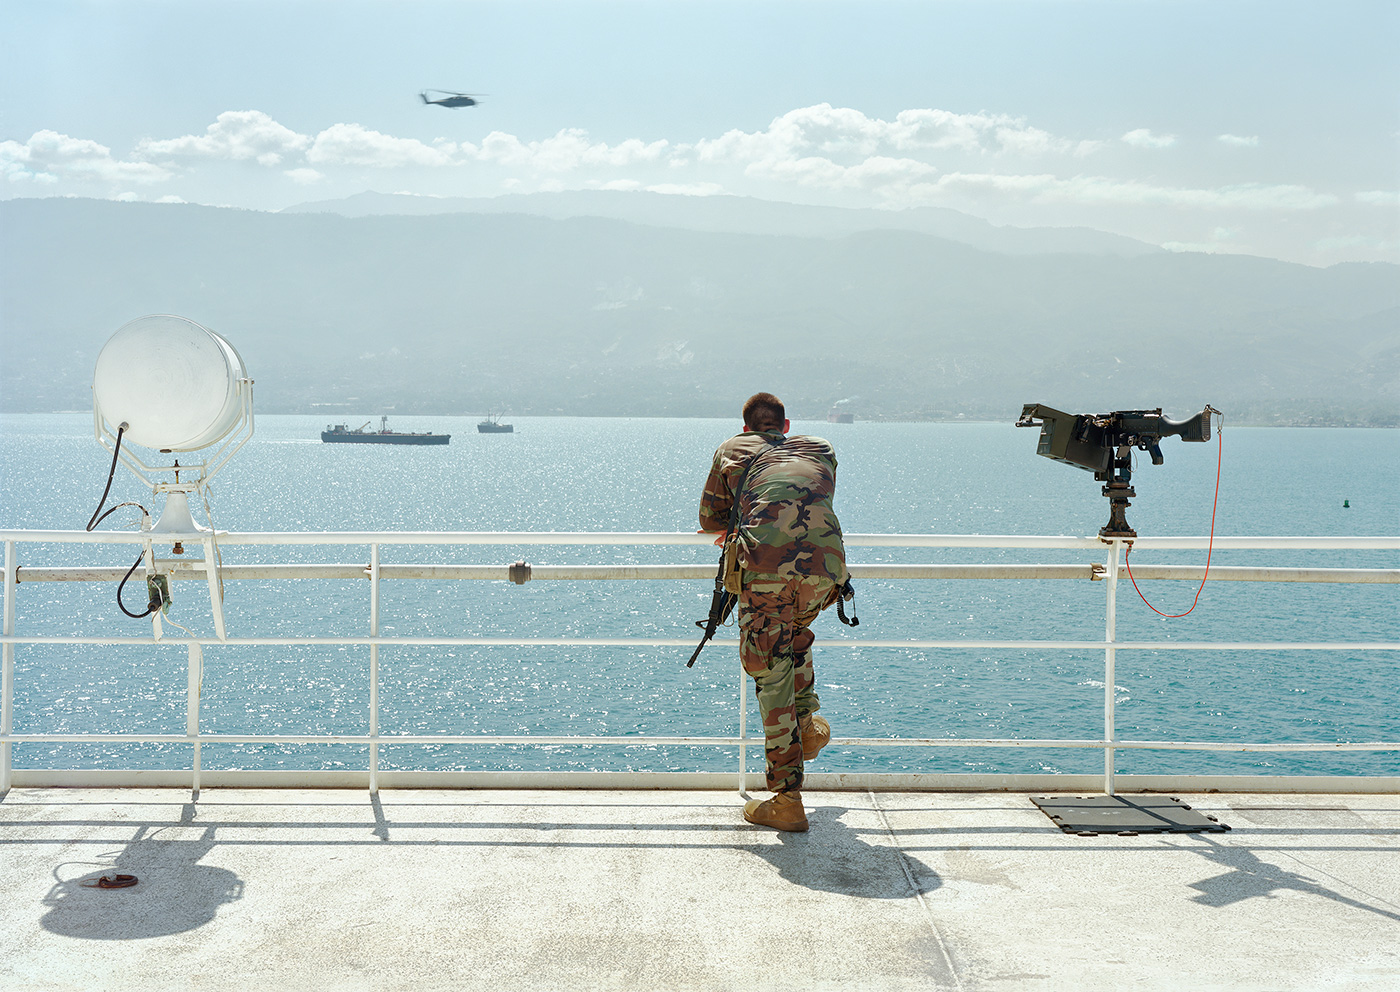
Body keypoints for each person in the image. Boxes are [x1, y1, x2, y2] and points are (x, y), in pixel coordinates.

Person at [698, 391, 849, 832]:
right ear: (785, 427)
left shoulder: (732, 449)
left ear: (747, 428)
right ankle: (807, 727)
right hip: (826, 570)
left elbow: (710, 520)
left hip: (768, 571)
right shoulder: (820, 448)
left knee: (769, 670)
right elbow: (809, 496)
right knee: (793, 635)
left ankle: (786, 799)